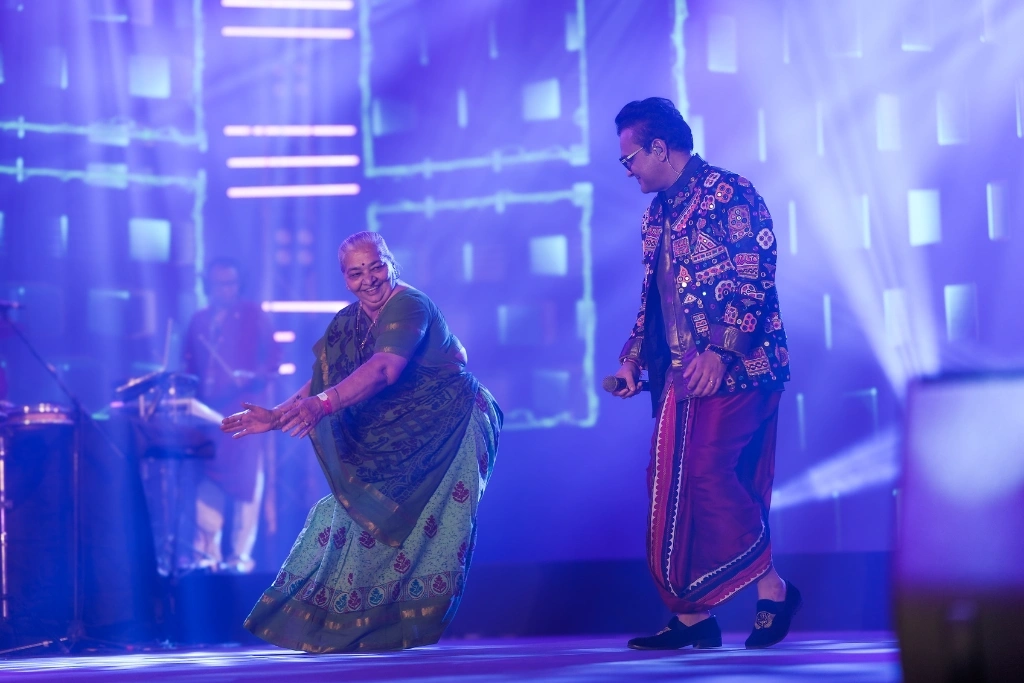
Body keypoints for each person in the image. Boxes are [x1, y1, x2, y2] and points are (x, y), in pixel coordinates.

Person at [221, 231, 502, 653]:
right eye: (356, 273)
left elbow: (384, 369)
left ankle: (392, 630)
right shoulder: (348, 322)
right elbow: (323, 383)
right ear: (345, 278)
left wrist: (322, 405)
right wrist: (277, 417)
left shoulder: (409, 304)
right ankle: (349, 628)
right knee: (348, 516)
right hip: (401, 438)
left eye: (376, 267)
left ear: (392, 263)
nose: (368, 280)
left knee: (425, 533)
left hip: (453, 427)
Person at [611, 98, 798, 650]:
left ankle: (773, 589)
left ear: (659, 148)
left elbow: (755, 276)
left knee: (709, 474)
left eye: (629, 159)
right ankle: (693, 617)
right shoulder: (656, 216)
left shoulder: (730, 193)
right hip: (682, 375)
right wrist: (632, 358)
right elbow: (653, 301)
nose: (628, 171)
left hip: (741, 369)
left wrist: (722, 349)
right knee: (667, 486)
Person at [183, 257, 279, 573]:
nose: (224, 290)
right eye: (218, 284)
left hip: (245, 412)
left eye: (230, 283)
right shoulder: (199, 321)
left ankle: (240, 557)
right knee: (208, 478)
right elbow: (188, 366)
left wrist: (250, 377)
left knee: (246, 480)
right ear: (207, 285)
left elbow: (272, 362)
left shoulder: (254, 316)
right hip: (208, 415)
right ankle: (206, 554)